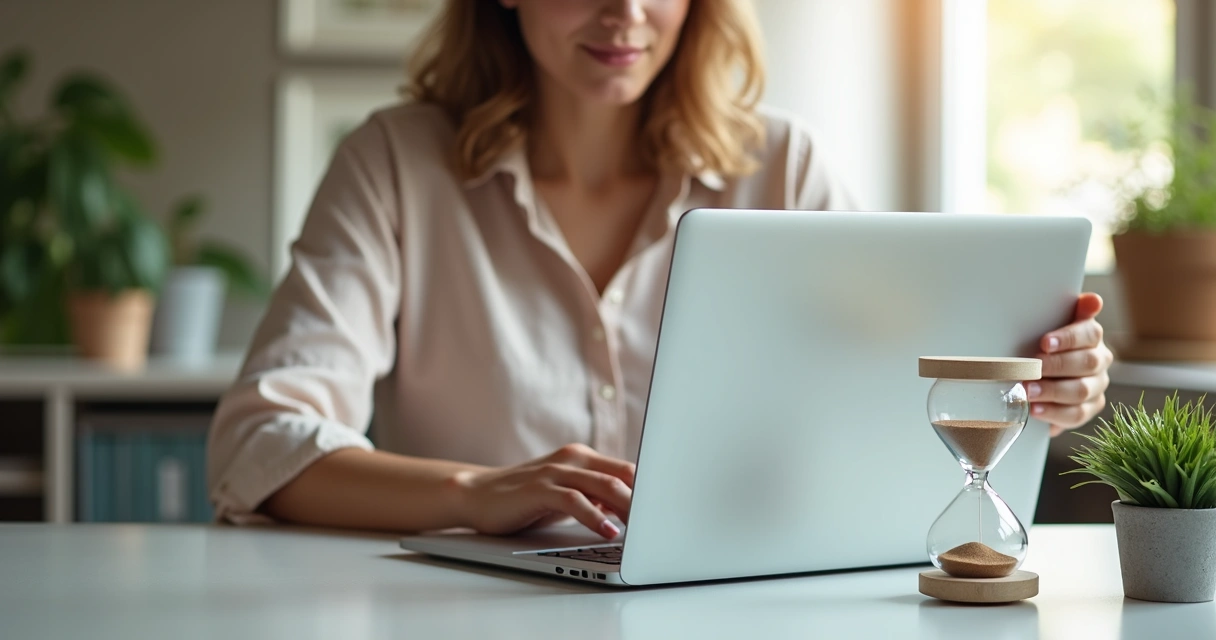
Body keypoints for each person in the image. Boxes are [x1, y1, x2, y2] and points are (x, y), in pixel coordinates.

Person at [207, 0, 1113, 539]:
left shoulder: (783, 167)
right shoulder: (395, 165)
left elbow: (889, 403)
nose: (628, 12)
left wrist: (1037, 381)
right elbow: (259, 445)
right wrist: (475, 492)